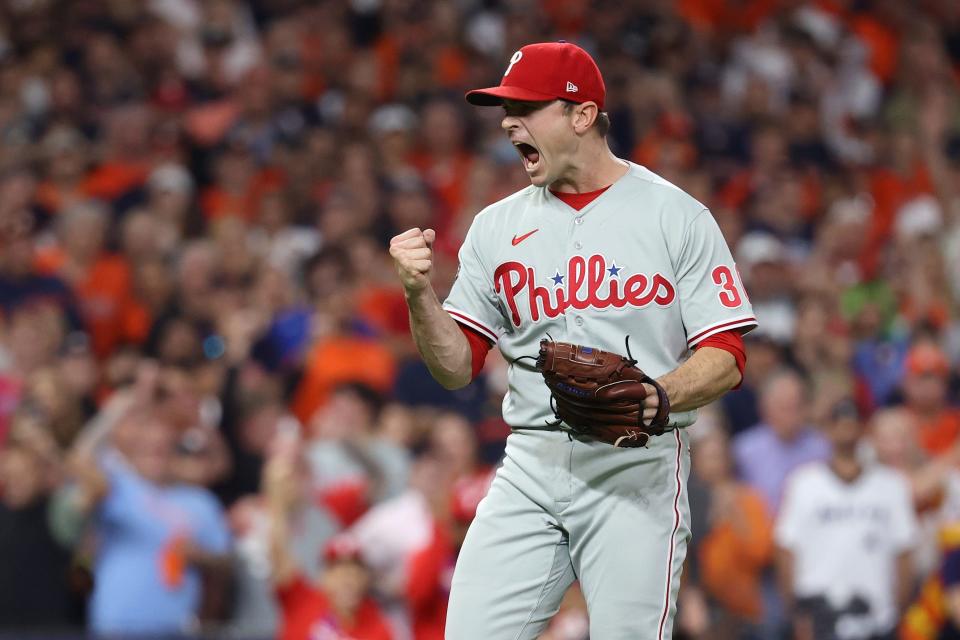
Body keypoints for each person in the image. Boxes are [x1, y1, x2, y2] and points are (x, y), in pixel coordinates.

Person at [389, 41, 756, 639]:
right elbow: (456, 365)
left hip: (635, 464)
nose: (510, 122)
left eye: (528, 107)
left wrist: (655, 395)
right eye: (506, 109)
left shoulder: (675, 216)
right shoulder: (495, 227)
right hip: (531, 464)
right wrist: (417, 295)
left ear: (582, 115)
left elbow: (727, 355)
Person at [775, 398, 917, 640]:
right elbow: (786, 549)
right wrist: (796, 613)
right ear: (827, 429)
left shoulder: (892, 485)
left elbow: (903, 553)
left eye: (852, 423)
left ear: (864, 429)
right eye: (839, 423)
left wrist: (897, 611)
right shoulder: (804, 483)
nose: (845, 430)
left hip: (877, 617)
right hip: (818, 613)